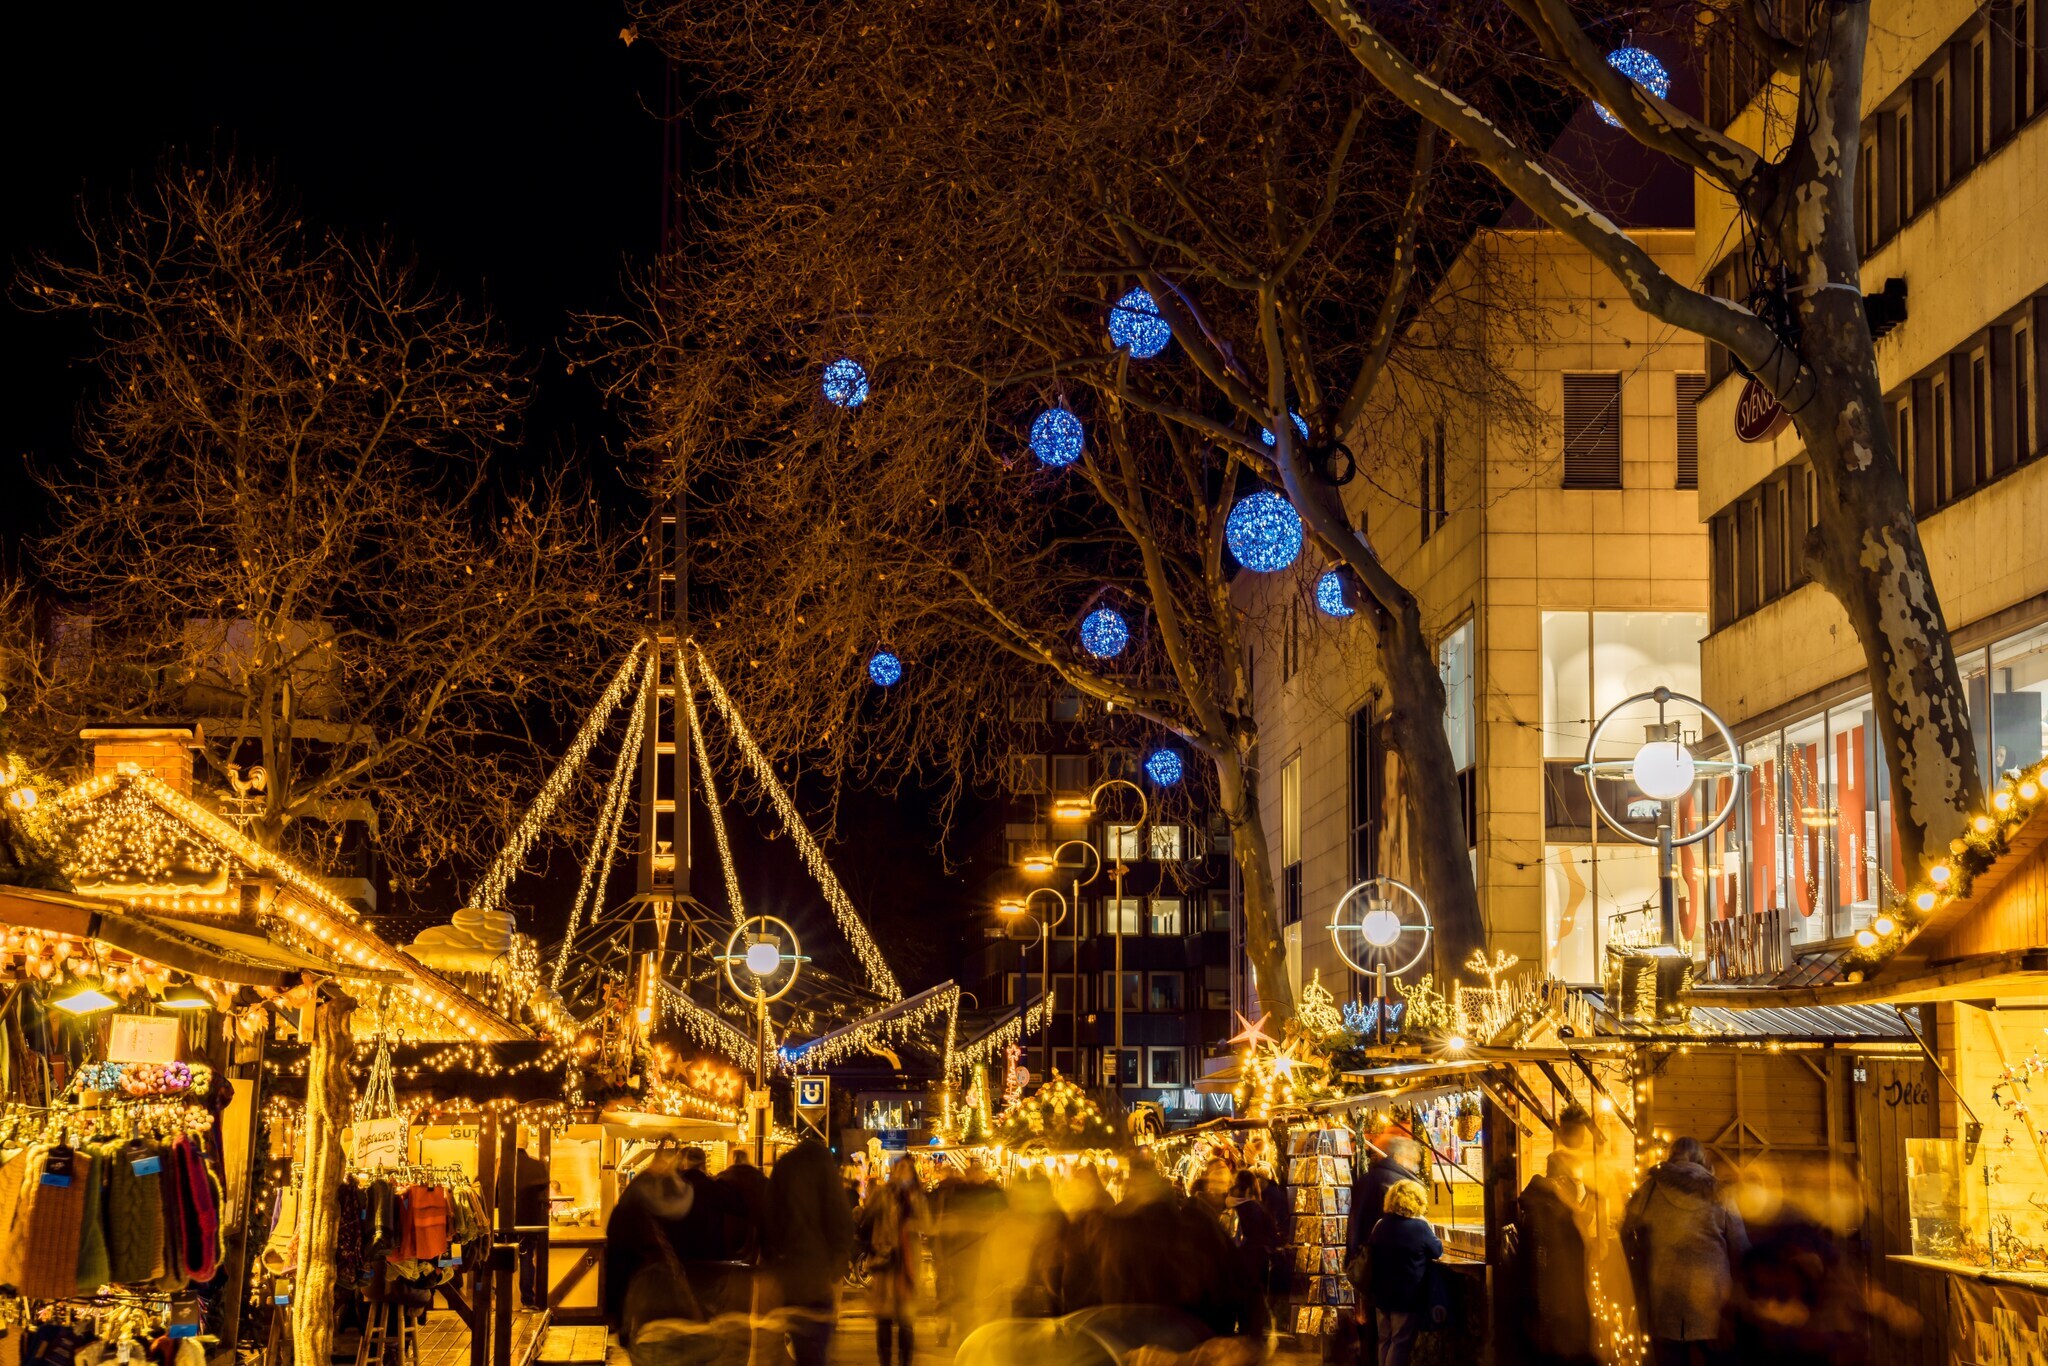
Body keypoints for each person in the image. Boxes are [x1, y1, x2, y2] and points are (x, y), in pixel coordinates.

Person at [1621, 1137, 1749, 1366]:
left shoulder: (1649, 1190)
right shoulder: (1720, 1193)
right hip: (1714, 1309)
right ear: (1701, 1159)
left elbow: (1626, 1233)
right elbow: (1741, 1248)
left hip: (1663, 1302)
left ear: (1671, 1157)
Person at [765, 1139, 855, 1366]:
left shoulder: (784, 1166)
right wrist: (838, 1263)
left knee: (800, 1343)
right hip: (820, 1275)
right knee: (817, 1347)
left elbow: (769, 1218)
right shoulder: (824, 1168)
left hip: (791, 1273)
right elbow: (841, 1218)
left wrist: (775, 1258)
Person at [1517, 1150, 1596, 1366]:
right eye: (1576, 1179)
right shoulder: (1547, 1205)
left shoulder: (1551, 1202)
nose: (1580, 1185)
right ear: (1562, 1178)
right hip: (1557, 1307)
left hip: (1559, 1305)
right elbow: (1549, 1256)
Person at [1363, 1180, 1442, 1366]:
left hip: (1381, 1295)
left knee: (1385, 1340)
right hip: (1406, 1296)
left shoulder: (1380, 1225)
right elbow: (1437, 1250)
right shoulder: (1419, 1227)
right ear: (1416, 1201)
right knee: (1400, 1343)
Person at [860, 1156, 929, 1366]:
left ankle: (905, 1362)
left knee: (906, 1319)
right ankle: (885, 1361)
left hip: (907, 1265)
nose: (902, 1173)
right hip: (886, 1261)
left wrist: (911, 1222)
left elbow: (927, 1223)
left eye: (907, 1170)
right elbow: (866, 1218)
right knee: (884, 1318)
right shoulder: (882, 1194)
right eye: (900, 1169)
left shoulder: (916, 1197)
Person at [512, 1145, 551, 1309]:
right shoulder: (535, 1166)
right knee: (526, 1259)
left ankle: (500, 1299)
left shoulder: (502, 1164)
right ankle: (527, 1300)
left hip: (503, 1221)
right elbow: (543, 1184)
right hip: (529, 1222)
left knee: (501, 1259)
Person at [717, 1149, 772, 1262]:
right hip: (755, 1234)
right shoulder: (761, 1179)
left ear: (730, 1160)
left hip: (727, 1230)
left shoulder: (721, 1179)